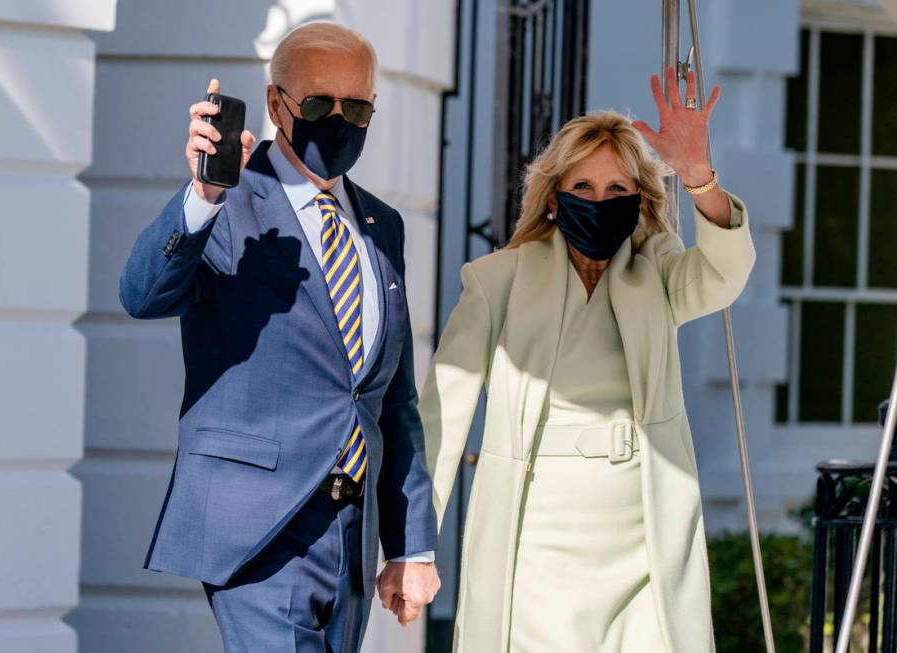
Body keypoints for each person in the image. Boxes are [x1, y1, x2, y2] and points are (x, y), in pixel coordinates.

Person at [119, 22, 440, 653]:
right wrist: (204, 195)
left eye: (358, 107)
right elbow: (143, 295)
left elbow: (390, 402)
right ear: (276, 106)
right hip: (260, 524)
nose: (339, 121)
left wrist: (411, 544)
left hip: (352, 525)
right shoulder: (229, 204)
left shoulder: (383, 224)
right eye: (320, 105)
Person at [420, 69, 755, 652]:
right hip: (535, 537)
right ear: (553, 199)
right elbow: (441, 417)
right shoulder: (497, 279)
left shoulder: (660, 271)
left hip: (642, 533)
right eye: (583, 189)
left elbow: (726, 275)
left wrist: (699, 176)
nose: (601, 203)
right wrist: (413, 547)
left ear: (640, 200)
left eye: (619, 191)